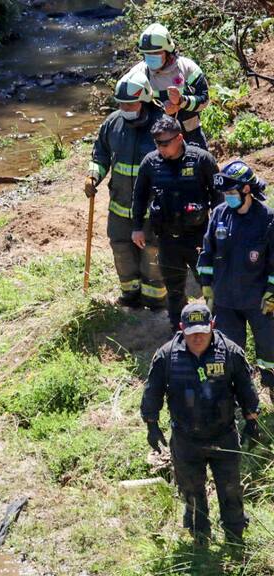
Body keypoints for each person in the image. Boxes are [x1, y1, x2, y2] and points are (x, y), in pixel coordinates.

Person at [141, 303, 260, 544]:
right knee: (191, 492)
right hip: (186, 440)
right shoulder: (166, 355)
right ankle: (200, 540)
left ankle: (235, 537)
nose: (197, 337)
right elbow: (153, 391)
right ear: (182, 328)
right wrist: (151, 424)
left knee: (230, 489)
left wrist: (252, 421)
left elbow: (246, 389)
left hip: (223, 436)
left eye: (203, 331)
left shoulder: (230, 352)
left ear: (212, 326)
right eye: (191, 331)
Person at [87, 71, 167, 308]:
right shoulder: (113, 123)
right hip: (120, 207)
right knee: (122, 250)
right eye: (120, 103)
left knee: (153, 253)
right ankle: (130, 297)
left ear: (144, 100)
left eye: (129, 103)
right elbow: (100, 153)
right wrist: (93, 175)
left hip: (153, 211)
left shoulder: (162, 125)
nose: (124, 107)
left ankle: (155, 303)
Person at [131, 116, 220, 331]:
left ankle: (218, 325)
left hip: (199, 237)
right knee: (174, 288)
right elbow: (140, 196)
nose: (160, 148)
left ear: (179, 138)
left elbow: (218, 195)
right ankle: (179, 329)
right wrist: (136, 228)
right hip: (167, 239)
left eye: (165, 143)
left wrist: (218, 229)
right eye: (157, 143)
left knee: (209, 283)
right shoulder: (150, 163)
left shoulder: (201, 160)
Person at [198, 160, 274, 402]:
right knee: (228, 350)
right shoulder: (220, 214)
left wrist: (272, 292)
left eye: (232, 193)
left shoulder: (267, 219)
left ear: (246, 190)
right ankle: (237, 396)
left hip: (258, 301)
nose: (228, 198)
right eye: (225, 194)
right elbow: (207, 252)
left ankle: (271, 385)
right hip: (225, 300)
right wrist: (207, 286)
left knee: (269, 348)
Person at [129, 23, 210, 149]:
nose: (151, 57)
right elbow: (130, 109)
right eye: (147, 54)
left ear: (168, 51)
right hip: (156, 141)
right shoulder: (137, 75)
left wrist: (181, 101)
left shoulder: (187, 68)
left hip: (191, 136)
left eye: (156, 52)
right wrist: (162, 112)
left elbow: (204, 100)